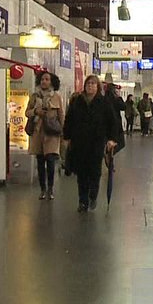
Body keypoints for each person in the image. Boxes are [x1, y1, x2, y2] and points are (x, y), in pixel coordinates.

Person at [63, 74, 120, 212]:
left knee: (94, 171)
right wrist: (67, 137)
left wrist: (112, 139)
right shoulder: (77, 101)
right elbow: (69, 120)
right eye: (88, 83)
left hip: (96, 142)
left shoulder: (104, 102)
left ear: (98, 86)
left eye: (93, 84)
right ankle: (82, 201)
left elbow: (113, 122)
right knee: (81, 173)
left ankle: (92, 195)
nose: (90, 86)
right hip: (79, 142)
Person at [26, 71, 64, 200]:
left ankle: (50, 189)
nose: (44, 81)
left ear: (51, 82)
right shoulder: (34, 96)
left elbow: (61, 115)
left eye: (47, 79)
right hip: (38, 131)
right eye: (42, 79)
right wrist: (36, 111)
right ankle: (42, 189)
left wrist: (63, 132)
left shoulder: (56, 97)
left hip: (52, 133)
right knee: (40, 161)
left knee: (51, 160)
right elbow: (27, 112)